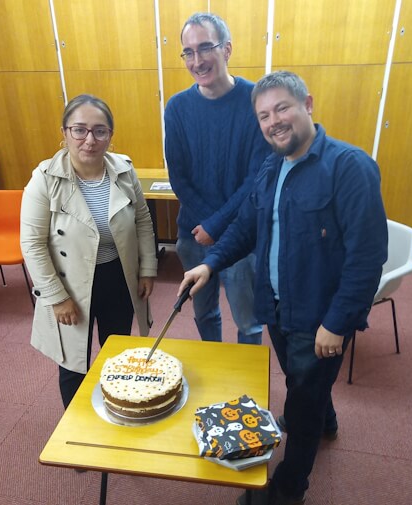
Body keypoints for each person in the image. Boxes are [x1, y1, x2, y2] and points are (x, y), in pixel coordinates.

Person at [178, 71, 388, 505]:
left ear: (307, 104)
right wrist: (210, 265)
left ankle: (289, 489)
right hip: (275, 306)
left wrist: (337, 323)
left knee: (303, 401)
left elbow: (367, 260)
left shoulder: (350, 167)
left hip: (319, 318)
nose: (273, 121)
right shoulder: (272, 166)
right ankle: (323, 417)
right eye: (263, 115)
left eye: (282, 108)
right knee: (300, 380)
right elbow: (247, 227)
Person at [21, 94, 158, 409]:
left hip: (118, 276)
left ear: (110, 135)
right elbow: (32, 243)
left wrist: (148, 267)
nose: (89, 140)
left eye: (100, 131)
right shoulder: (44, 178)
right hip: (70, 284)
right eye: (79, 129)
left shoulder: (123, 168)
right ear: (65, 132)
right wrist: (56, 296)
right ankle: (76, 428)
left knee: (117, 352)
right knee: (73, 362)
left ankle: (118, 409)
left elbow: (141, 219)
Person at [164, 12, 271, 344]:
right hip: (194, 233)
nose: (197, 60)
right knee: (204, 312)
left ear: (226, 49)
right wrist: (207, 224)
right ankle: (214, 376)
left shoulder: (256, 101)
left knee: (248, 320)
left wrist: (219, 225)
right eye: (188, 52)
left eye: (205, 47)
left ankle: (246, 389)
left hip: (241, 234)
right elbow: (178, 175)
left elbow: (257, 177)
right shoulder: (177, 107)